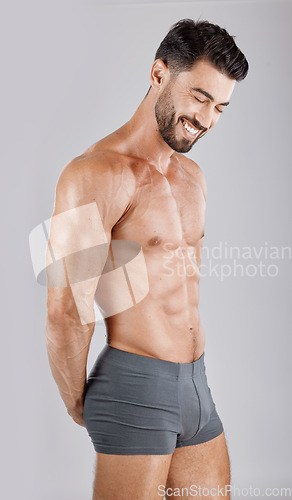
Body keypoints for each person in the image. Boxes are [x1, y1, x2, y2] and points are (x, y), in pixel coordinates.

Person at [45, 18, 248, 499]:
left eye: (220, 107)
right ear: (159, 73)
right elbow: (66, 311)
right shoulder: (93, 174)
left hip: (198, 385)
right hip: (136, 386)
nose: (208, 119)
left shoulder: (193, 177)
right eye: (199, 97)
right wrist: (76, 401)